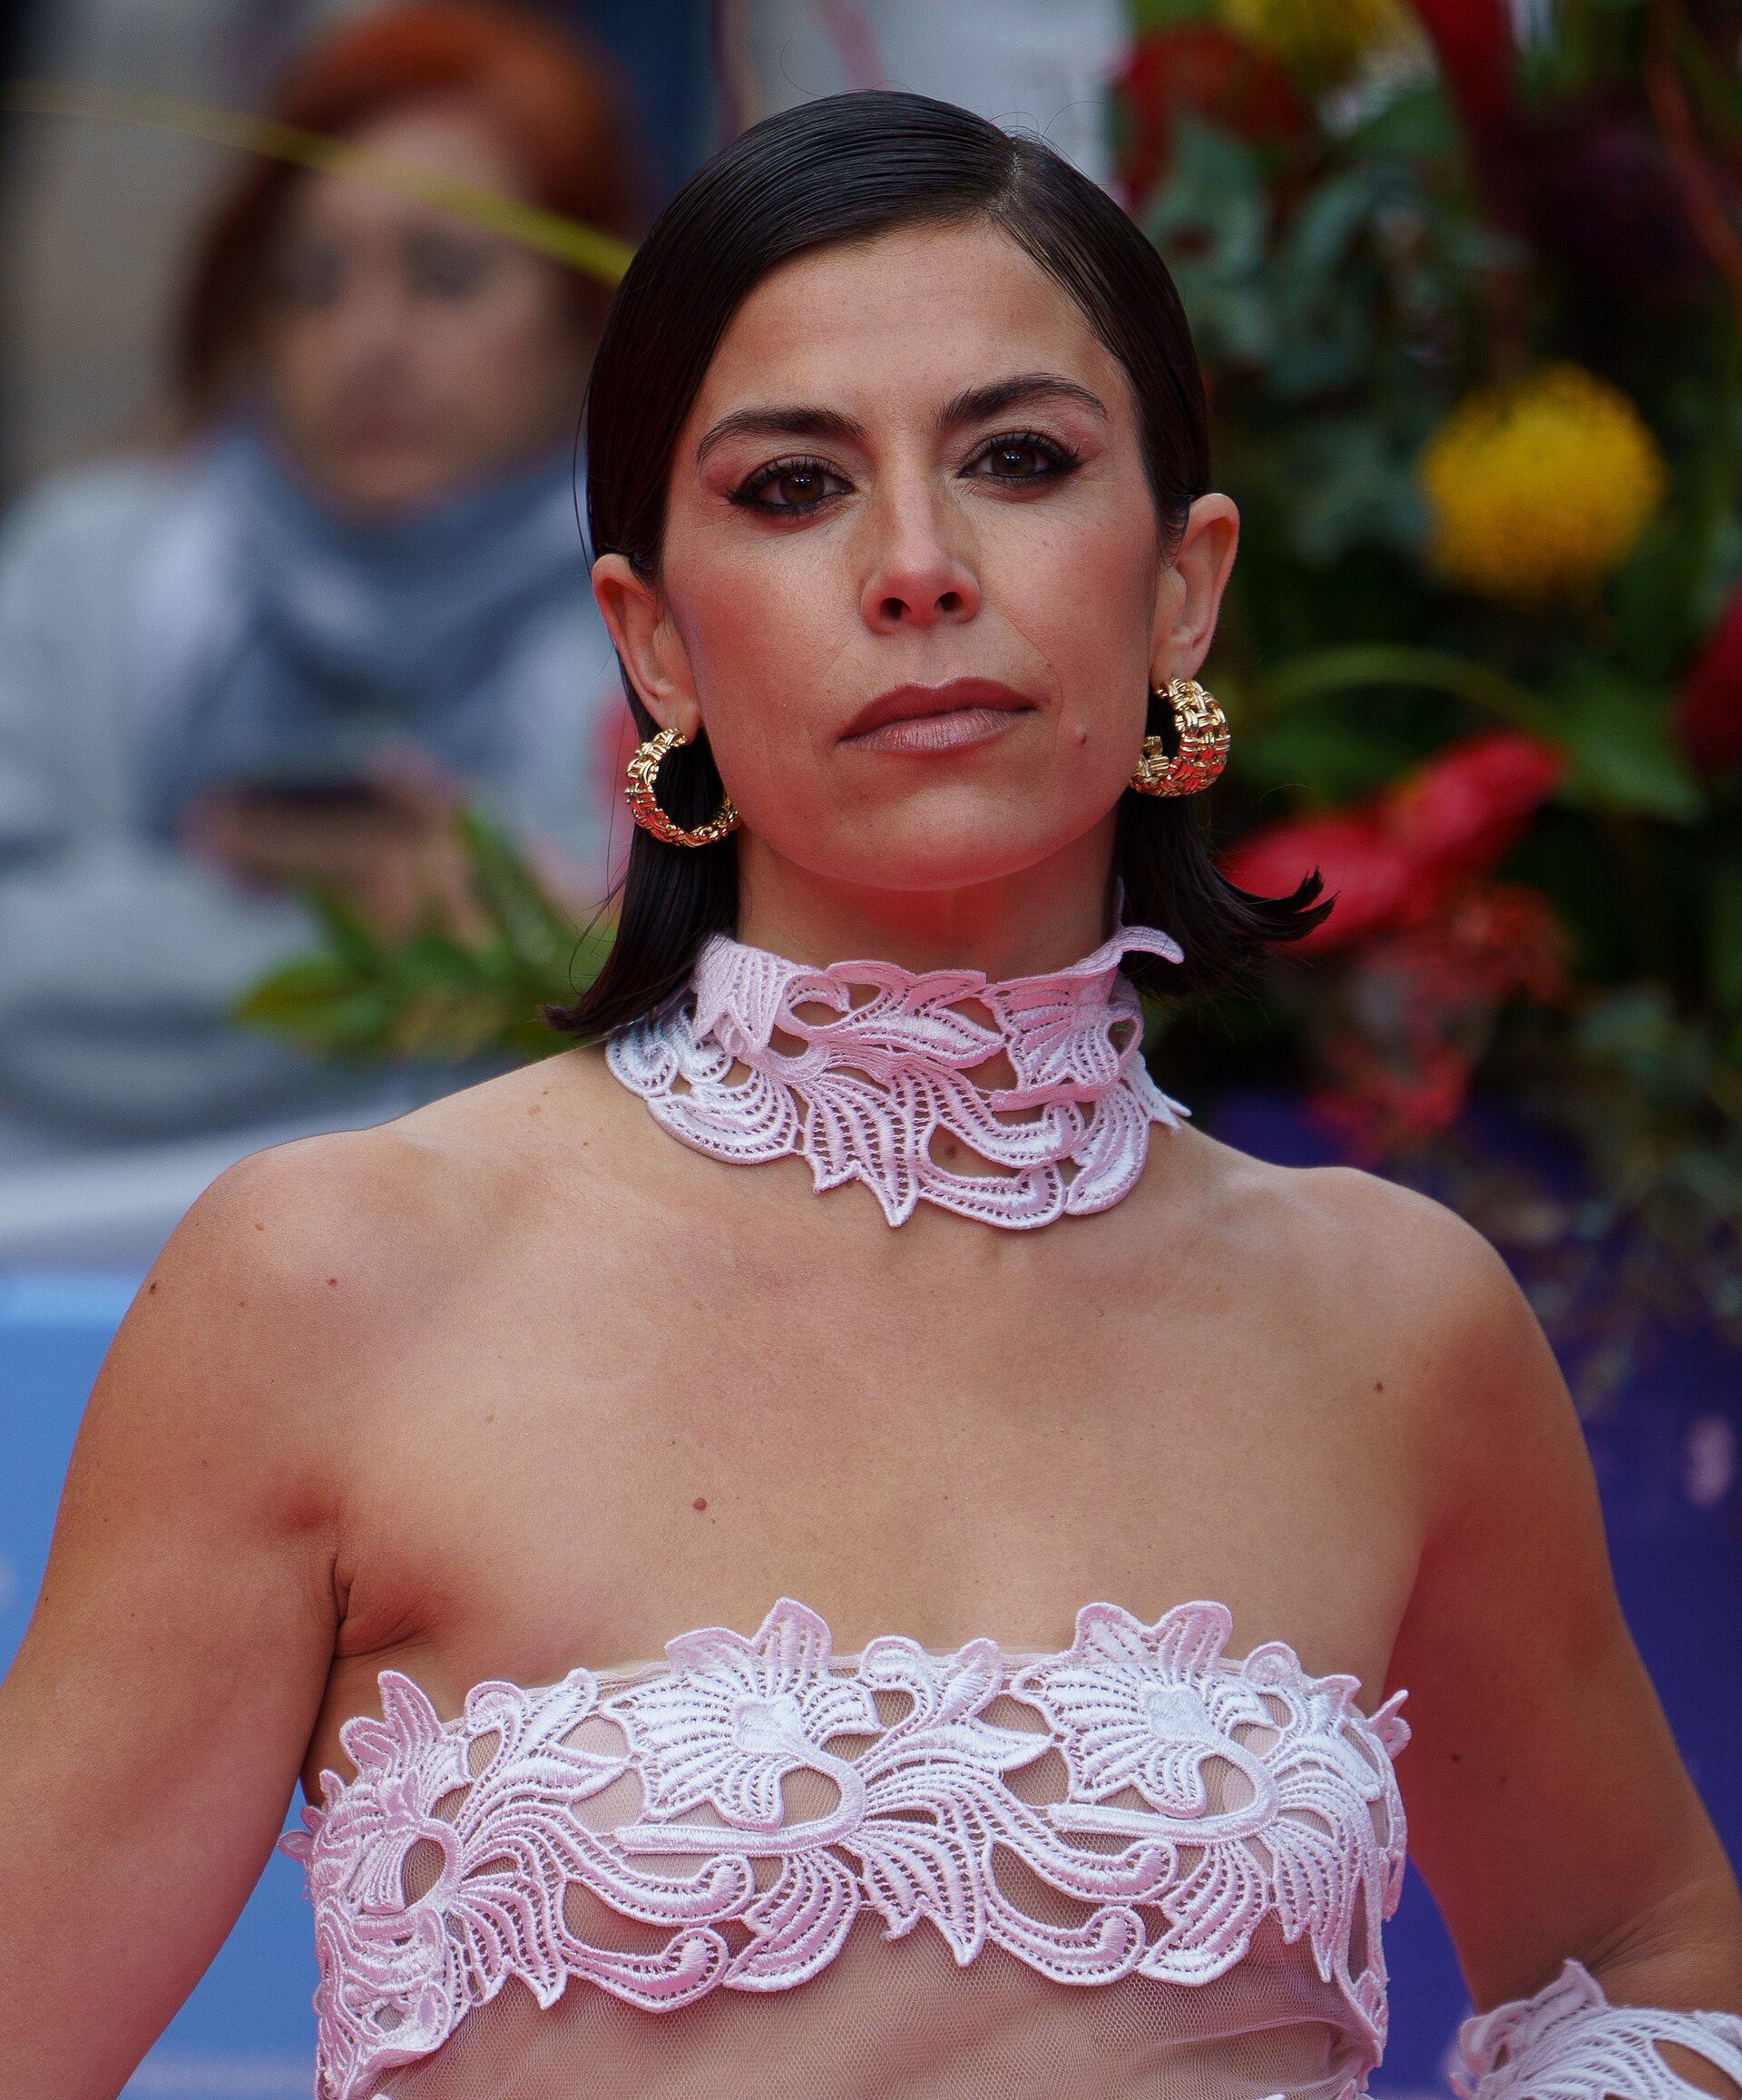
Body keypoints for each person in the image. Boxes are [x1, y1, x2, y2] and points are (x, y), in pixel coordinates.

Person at [4, 92, 1740, 2100]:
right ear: (648, 642)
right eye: (793, 486)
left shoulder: (1395, 1322)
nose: (918, 566)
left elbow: (1651, 1948)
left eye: (1017, 459)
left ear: (1184, 588)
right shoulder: (333, 1285)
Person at [0, 2, 633, 1171]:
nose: (370, 338)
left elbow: (696, 999)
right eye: (311, 278)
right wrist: (412, 924)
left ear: (584, 311)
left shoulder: (660, 615)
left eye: (445, 274)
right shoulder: (91, 571)